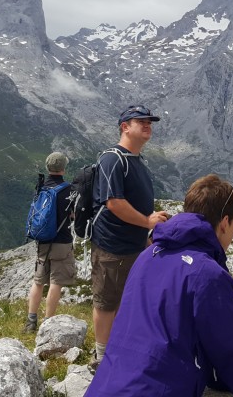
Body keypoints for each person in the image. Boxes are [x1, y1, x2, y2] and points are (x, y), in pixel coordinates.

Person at [86, 175, 233, 397]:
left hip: (107, 385)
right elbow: (228, 348)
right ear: (225, 223)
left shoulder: (148, 255)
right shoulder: (207, 274)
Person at [89, 104, 170, 363]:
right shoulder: (113, 158)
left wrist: (145, 238)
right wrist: (147, 222)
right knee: (106, 302)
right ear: (125, 127)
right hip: (112, 248)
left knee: (126, 301)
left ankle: (119, 348)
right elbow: (113, 202)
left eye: (150, 122)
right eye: (141, 121)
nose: (148, 125)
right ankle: (102, 357)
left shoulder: (136, 160)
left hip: (133, 246)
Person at [23, 151, 76, 334]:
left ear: (48, 167)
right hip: (62, 242)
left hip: (42, 241)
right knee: (56, 282)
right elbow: (73, 215)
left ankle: (31, 321)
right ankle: (47, 323)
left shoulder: (41, 188)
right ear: (64, 168)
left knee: (38, 282)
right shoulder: (69, 190)